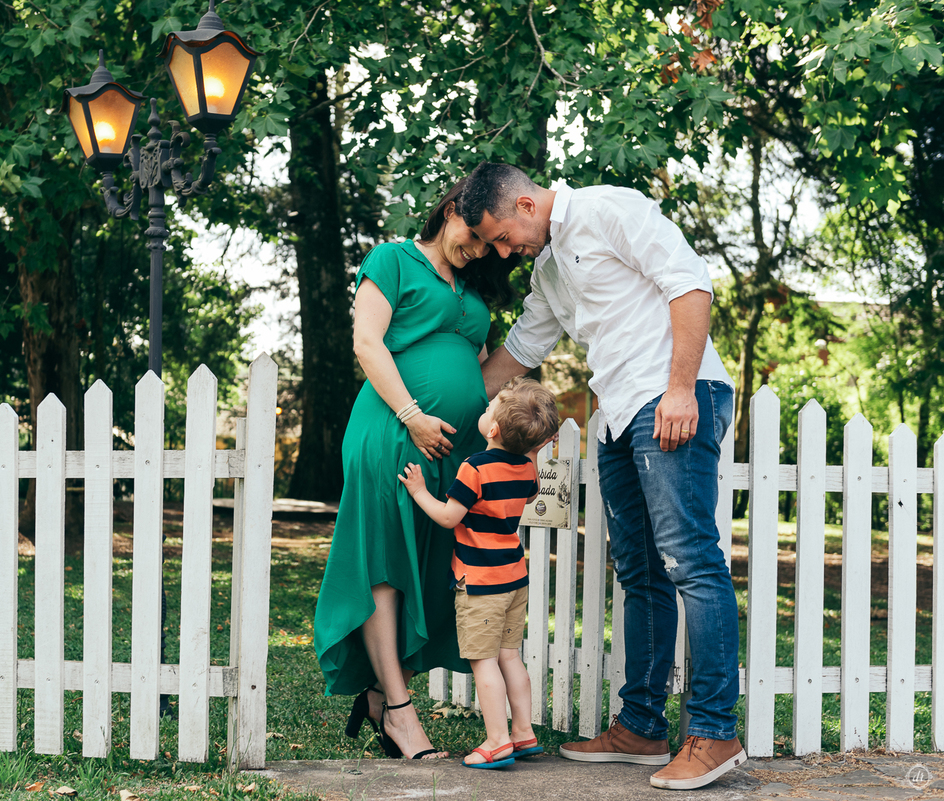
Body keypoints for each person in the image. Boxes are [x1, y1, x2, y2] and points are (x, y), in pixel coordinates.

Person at [459, 162, 745, 790]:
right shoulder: (548, 269)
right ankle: (641, 726)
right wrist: (443, 403)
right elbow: (522, 350)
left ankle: (716, 732)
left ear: (525, 205)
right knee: (641, 572)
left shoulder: (606, 208)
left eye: (502, 236)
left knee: (692, 561)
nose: (503, 251)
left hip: (669, 395)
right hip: (617, 414)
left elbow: (689, 283)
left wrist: (680, 389)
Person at [313, 178, 521, 760]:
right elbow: (367, 343)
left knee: (427, 564)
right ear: (451, 210)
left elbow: (478, 366)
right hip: (393, 431)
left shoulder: (471, 289)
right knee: (385, 560)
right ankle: (402, 716)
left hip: (452, 447)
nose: (478, 251)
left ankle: (381, 695)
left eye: (488, 245)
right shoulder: (393, 260)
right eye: (473, 237)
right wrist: (414, 416)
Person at [398, 377, 559, 770]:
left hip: (481, 583)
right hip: (514, 579)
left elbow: (449, 517)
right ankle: (523, 732)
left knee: (484, 662)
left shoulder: (474, 468)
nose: (484, 409)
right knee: (510, 657)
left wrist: (419, 492)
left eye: (489, 408)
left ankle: (498, 741)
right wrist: (533, 451)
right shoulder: (527, 469)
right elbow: (533, 492)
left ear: (493, 429)